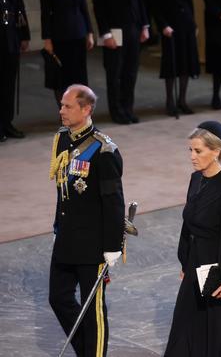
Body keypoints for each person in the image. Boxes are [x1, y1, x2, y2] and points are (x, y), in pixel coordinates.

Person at [48, 84, 125, 356]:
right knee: (57, 297)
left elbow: (114, 203)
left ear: (86, 109)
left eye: (68, 106)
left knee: (92, 310)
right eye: (61, 105)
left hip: (93, 245)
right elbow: (62, 191)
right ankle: (86, 350)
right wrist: (58, 225)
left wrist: (113, 246)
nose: (61, 111)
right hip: (67, 236)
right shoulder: (62, 139)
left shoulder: (103, 151)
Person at [165, 121, 221, 356]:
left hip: (216, 270)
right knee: (185, 330)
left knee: (214, 337)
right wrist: (185, 261)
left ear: (216, 152)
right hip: (195, 263)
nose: (192, 156)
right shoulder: (196, 179)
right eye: (190, 150)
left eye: (198, 151)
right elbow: (188, 222)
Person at [92, 0, 149, 124]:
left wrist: (145, 26)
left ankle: (128, 109)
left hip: (134, 29)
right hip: (113, 32)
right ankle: (116, 112)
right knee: (114, 74)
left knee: (130, 73)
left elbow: (140, 1)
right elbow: (99, 8)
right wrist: (106, 34)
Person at [40, 0, 94, 106]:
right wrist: (47, 39)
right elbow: (45, 14)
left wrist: (89, 33)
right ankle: (65, 112)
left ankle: (80, 112)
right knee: (62, 78)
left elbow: (84, 8)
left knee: (80, 76)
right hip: (59, 37)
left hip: (79, 34)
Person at [154, 0, 200, 116]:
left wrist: (194, 24)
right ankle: (170, 101)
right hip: (170, 28)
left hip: (186, 25)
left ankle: (182, 100)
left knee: (185, 63)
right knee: (171, 63)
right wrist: (163, 25)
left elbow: (189, 4)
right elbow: (156, 7)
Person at [0, 0, 29, 142]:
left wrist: (25, 35)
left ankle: (7, 123)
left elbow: (20, 9)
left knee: (9, 84)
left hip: (11, 39)